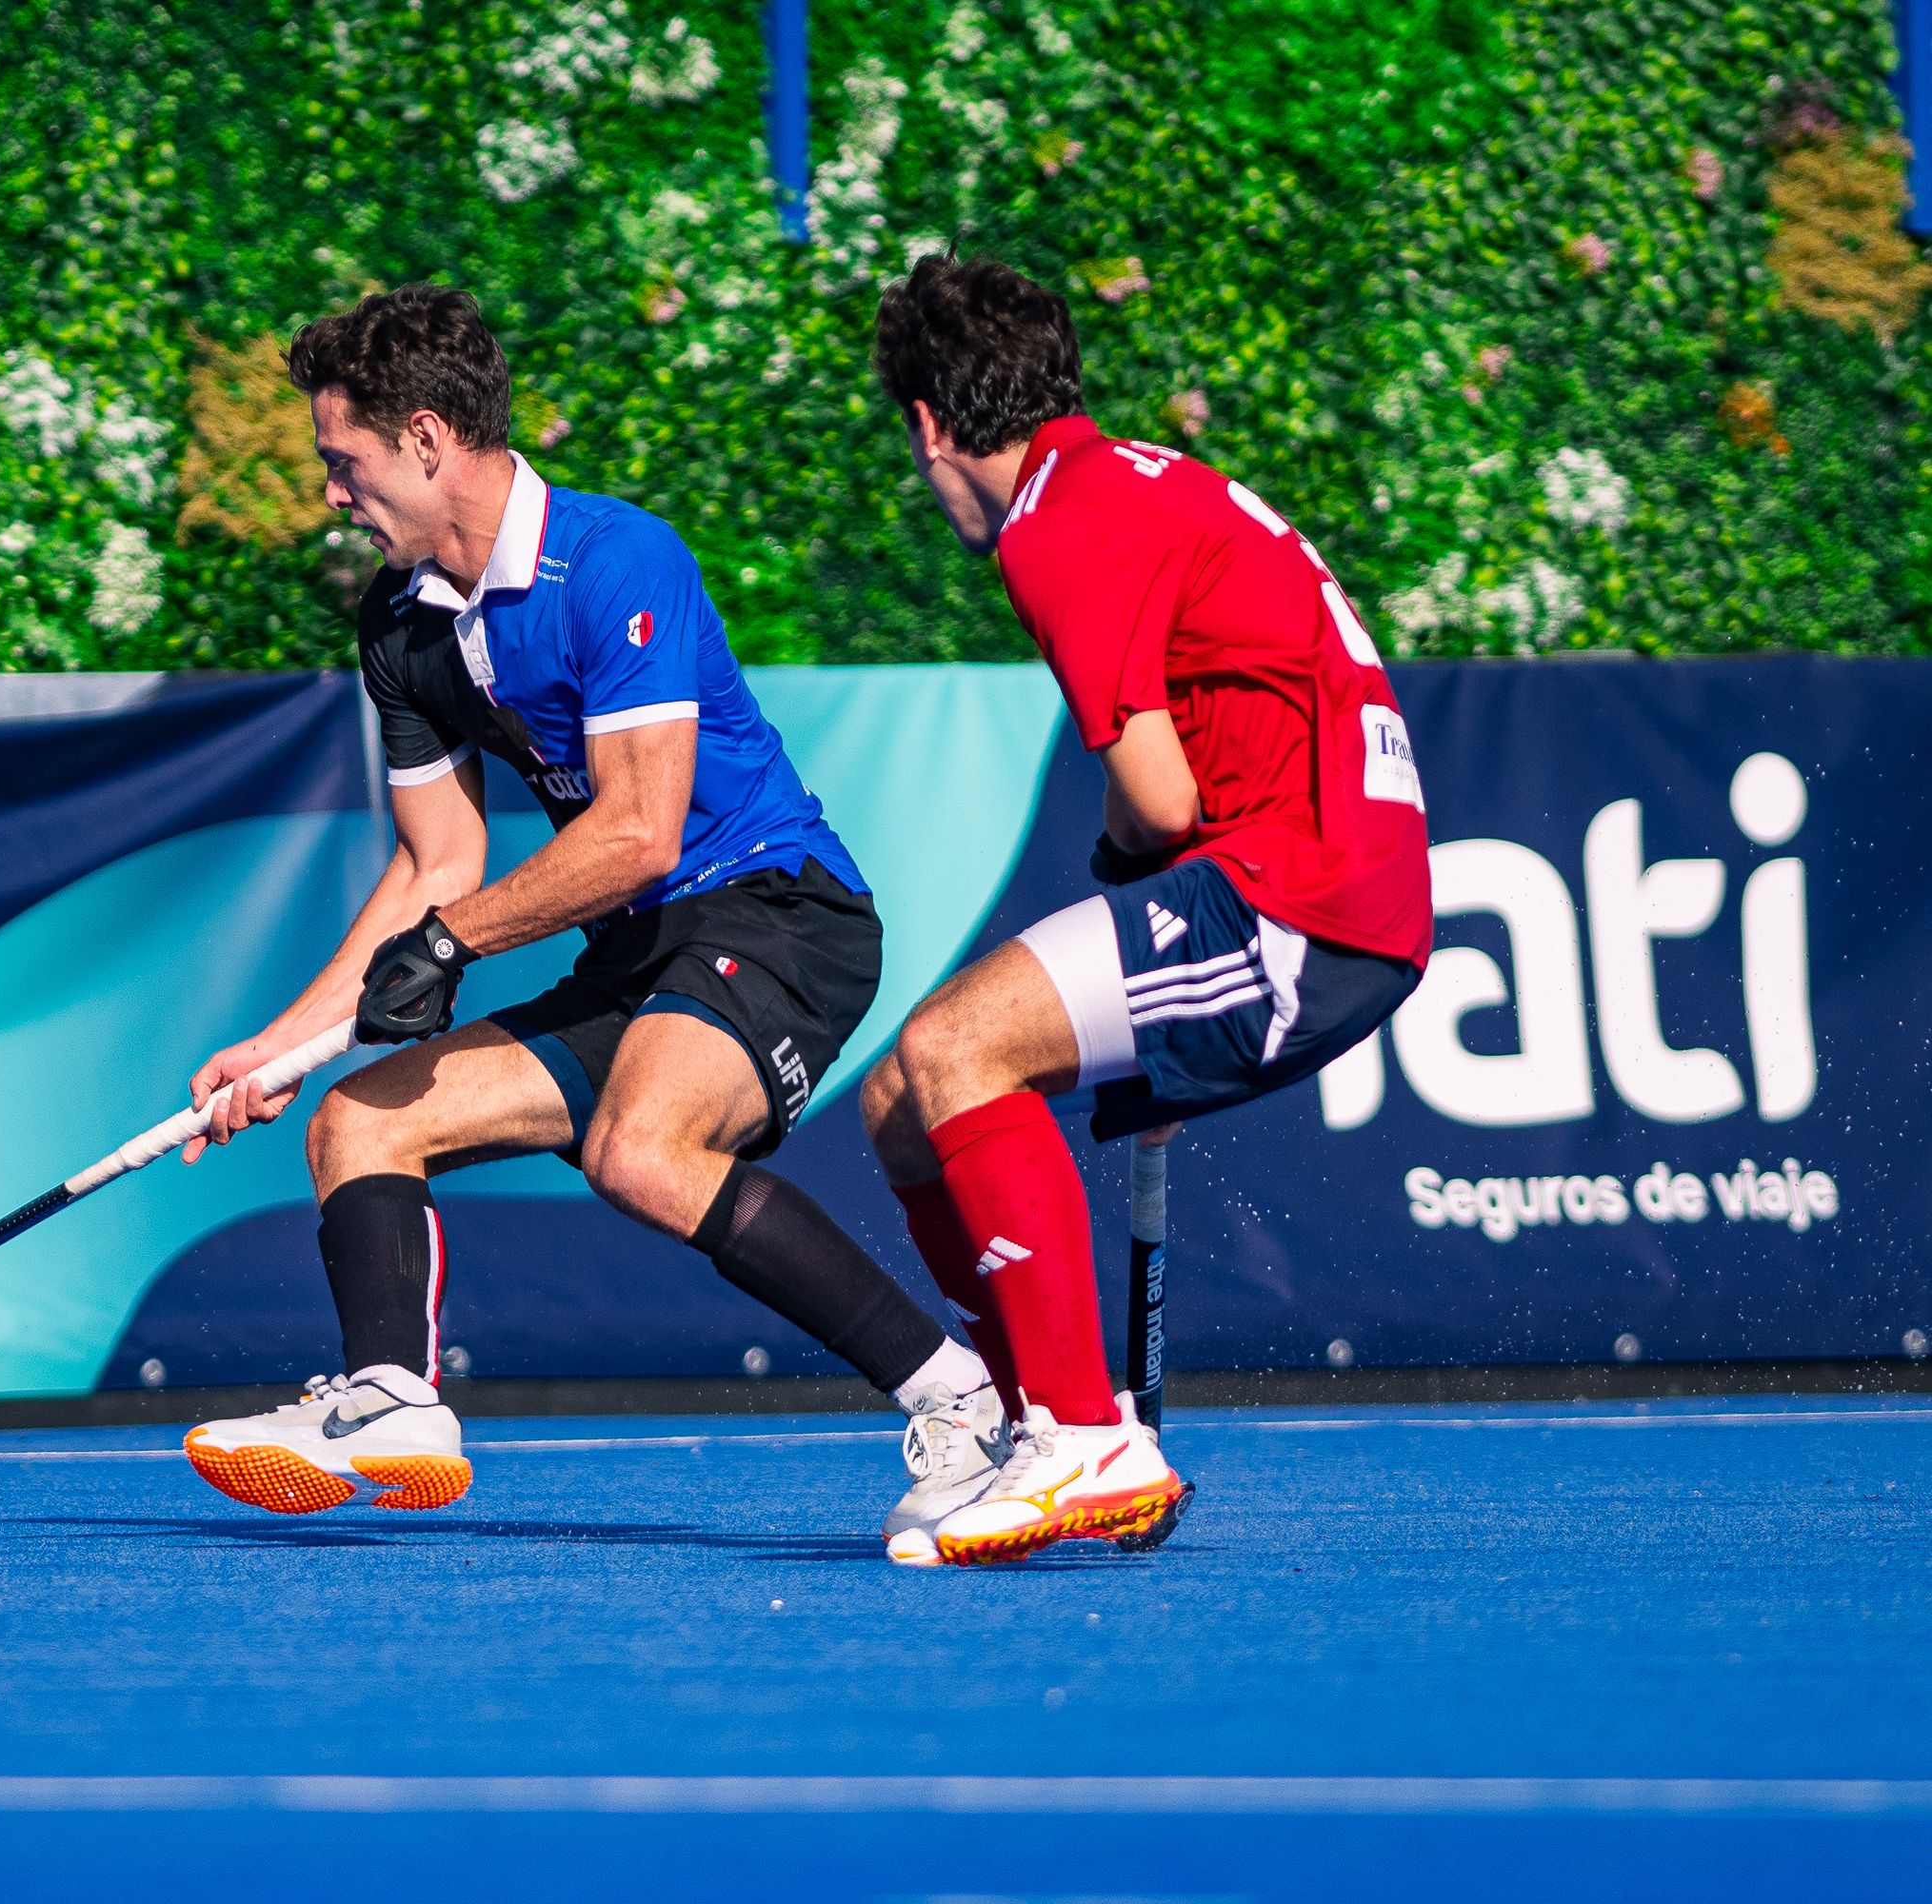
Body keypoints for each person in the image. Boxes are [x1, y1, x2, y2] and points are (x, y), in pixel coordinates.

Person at [174, 285, 1002, 1517]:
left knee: (641, 1149)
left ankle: (960, 1401)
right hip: (643, 952)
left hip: (777, 914)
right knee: (357, 1124)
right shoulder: (399, 627)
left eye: (342, 462)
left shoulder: (616, 559)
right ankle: (393, 1395)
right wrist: (284, 1046)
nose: (332, 494)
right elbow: (433, 863)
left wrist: (450, 945)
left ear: (424, 439)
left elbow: (635, 831)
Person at [857, 255, 1435, 1565]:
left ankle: (1083, 1435)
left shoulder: (1056, 525)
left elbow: (1157, 803)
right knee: (904, 1099)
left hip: (1304, 897)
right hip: (1308, 876)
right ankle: (1034, 1421)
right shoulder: (1123, 479)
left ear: (931, 425)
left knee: (958, 1047)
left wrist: (1130, 885)